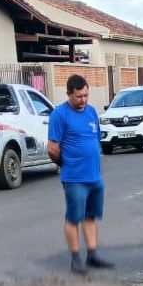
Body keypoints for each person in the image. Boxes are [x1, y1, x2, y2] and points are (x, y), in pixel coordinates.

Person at [47, 74, 114, 274]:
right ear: (69, 94)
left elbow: (94, 139)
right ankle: (76, 259)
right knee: (73, 218)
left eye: (85, 95)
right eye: (78, 97)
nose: (83, 100)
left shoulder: (92, 112)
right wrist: (64, 163)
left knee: (90, 217)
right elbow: (52, 148)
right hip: (74, 178)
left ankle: (92, 255)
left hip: (94, 176)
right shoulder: (59, 114)